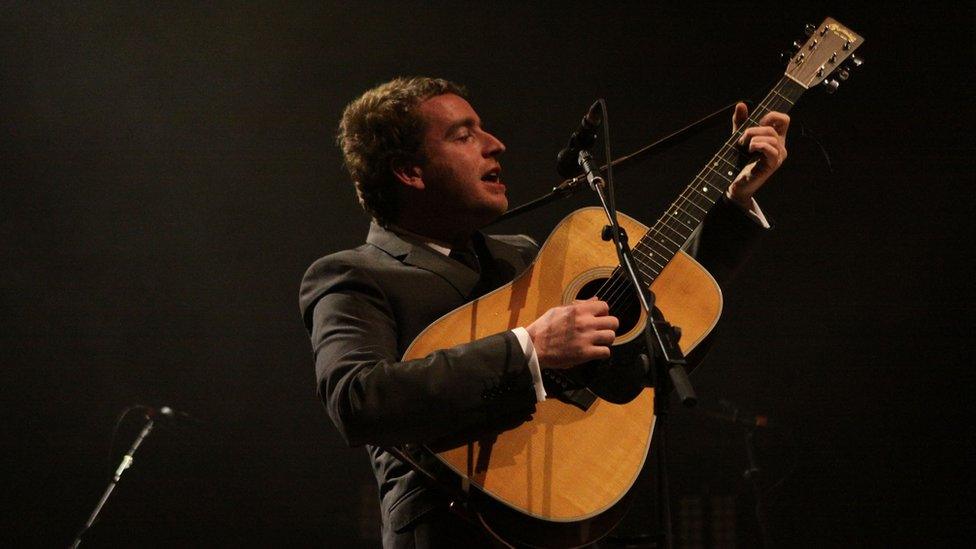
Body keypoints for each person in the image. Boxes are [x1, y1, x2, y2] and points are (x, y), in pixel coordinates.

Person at [299, 77, 789, 547]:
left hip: (570, 501)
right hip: (452, 531)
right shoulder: (353, 275)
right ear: (410, 171)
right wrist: (530, 347)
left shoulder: (523, 255)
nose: (495, 144)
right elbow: (356, 399)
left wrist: (733, 202)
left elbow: (653, 307)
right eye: (463, 135)